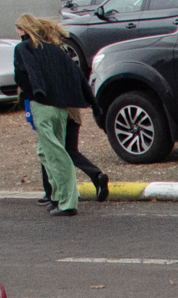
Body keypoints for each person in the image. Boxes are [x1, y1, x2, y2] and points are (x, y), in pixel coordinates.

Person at [10, 14, 108, 216]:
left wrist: (34, 92)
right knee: (46, 152)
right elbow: (78, 76)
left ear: (23, 29)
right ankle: (57, 195)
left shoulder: (23, 48)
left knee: (55, 154)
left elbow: (25, 73)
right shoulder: (56, 49)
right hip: (62, 108)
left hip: (42, 105)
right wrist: (92, 103)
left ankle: (67, 202)